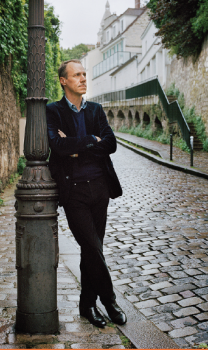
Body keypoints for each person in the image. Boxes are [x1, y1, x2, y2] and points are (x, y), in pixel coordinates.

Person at [46, 59, 127, 328]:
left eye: (84, 74)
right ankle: (110, 301)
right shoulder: (53, 111)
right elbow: (57, 146)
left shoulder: (95, 109)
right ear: (63, 81)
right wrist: (92, 140)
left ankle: (87, 304)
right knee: (92, 246)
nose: (83, 78)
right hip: (74, 191)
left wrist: (80, 147)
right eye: (76, 75)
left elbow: (111, 144)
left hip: (100, 188)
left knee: (92, 250)